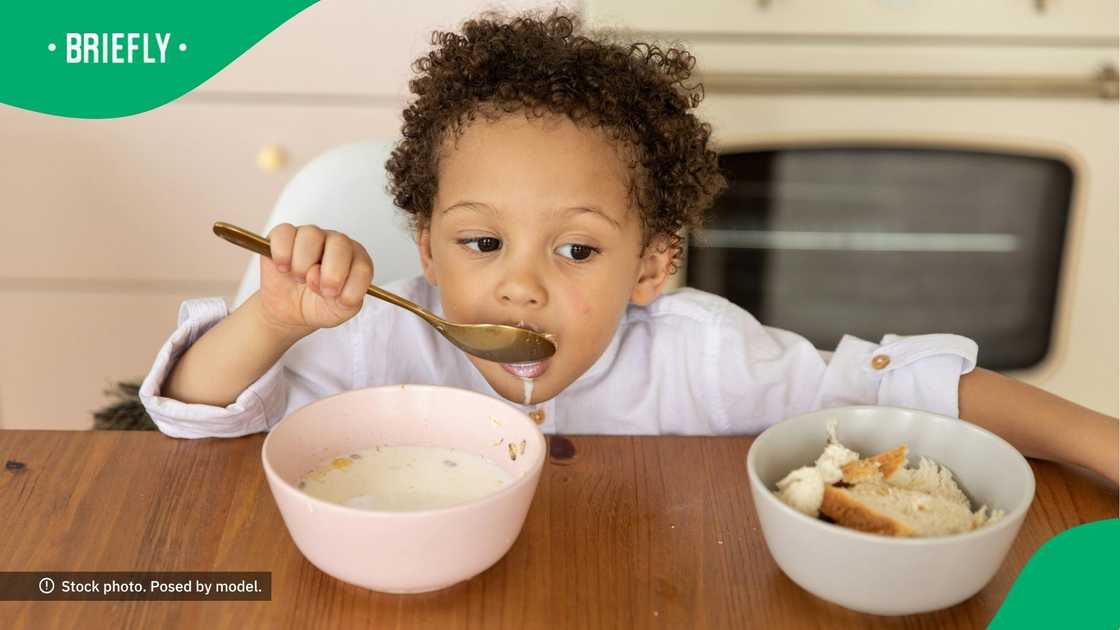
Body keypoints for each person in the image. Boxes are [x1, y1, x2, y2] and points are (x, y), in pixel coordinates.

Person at [139, 11, 1118, 486]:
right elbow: (190, 420)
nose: (518, 282)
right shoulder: (363, 345)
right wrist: (271, 318)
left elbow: (914, 391)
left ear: (651, 265)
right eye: (482, 241)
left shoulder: (706, 360)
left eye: (576, 252)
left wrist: (1098, 445)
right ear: (427, 248)